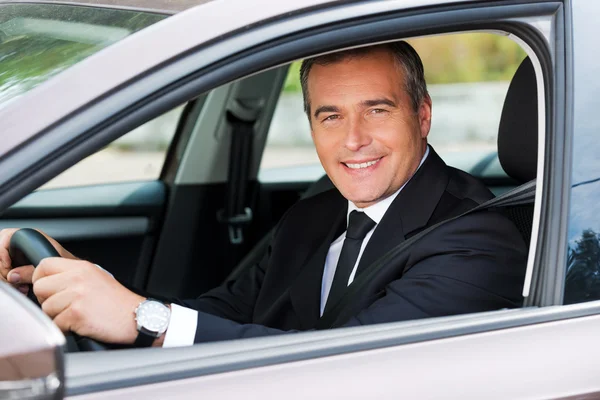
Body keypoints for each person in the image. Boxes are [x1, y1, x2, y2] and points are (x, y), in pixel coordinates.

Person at [0, 42, 527, 347]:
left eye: (377, 110)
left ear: (423, 115)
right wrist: (81, 283)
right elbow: (220, 311)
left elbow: (348, 366)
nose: (352, 140)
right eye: (330, 116)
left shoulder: (478, 237)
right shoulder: (314, 215)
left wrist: (143, 320)